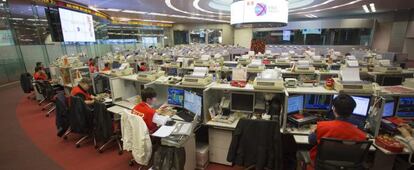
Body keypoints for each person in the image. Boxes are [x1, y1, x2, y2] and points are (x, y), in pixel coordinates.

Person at [308, 94, 366, 162]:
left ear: (334, 109)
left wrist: (312, 131)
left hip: (322, 165)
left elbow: (311, 140)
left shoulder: (322, 126)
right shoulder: (360, 133)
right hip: (347, 165)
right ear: (352, 110)